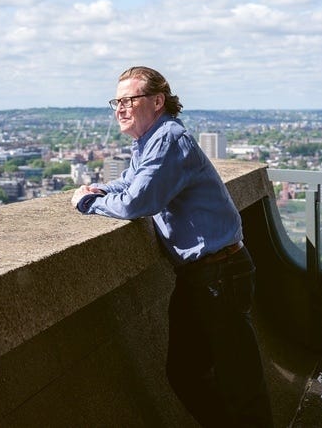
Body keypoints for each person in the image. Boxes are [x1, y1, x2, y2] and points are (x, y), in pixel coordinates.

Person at [71, 66, 273, 427]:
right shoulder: (149, 141)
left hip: (219, 274)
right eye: (116, 102)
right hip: (205, 274)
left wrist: (89, 204)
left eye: (129, 100)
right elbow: (131, 184)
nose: (120, 108)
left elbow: (138, 202)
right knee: (187, 373)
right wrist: (102, 190)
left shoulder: (168, 139)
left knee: (238, 383)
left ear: (157, 101)